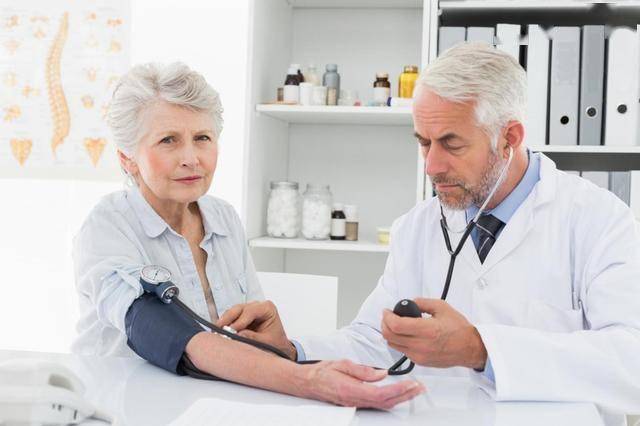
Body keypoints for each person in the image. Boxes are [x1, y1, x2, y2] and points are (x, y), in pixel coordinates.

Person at [216, 42, 640, 424]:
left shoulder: (598, 221)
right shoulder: (417, 227)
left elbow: (631, 362)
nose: (432, 166)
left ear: (509, 137)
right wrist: (293, 351)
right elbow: (375, 339)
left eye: (451, 144)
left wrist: (481, 348)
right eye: (423, 142)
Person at [71, 62, 424, 409]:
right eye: (168, 140)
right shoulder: (107, 226)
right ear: (127, 158)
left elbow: (250, 341)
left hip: (211, 405)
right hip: (121, 408)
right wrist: (307, 379)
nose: (191, 158)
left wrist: (280, 348)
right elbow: (158, 329)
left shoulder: (223, 218)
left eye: (202, 138)